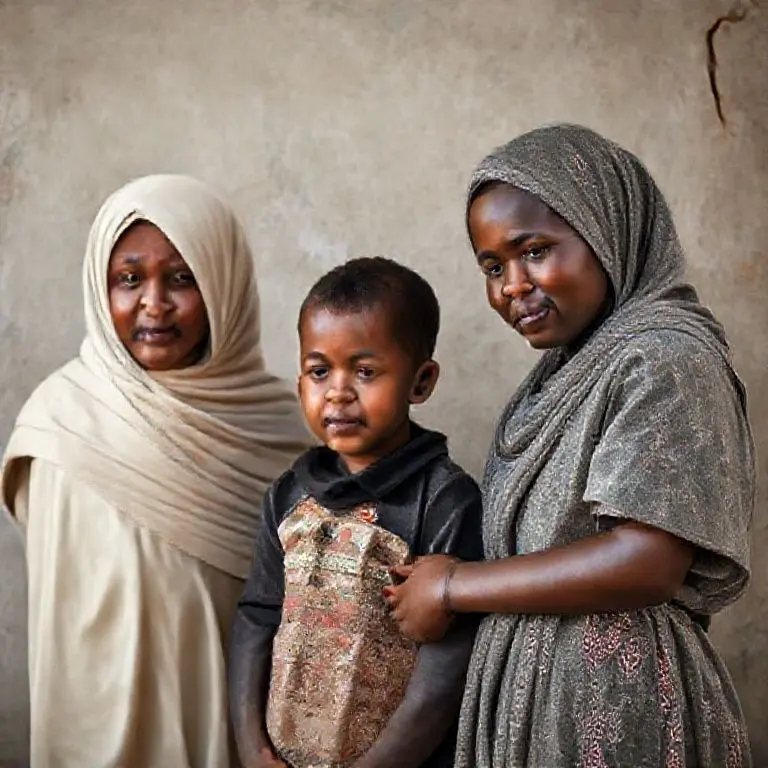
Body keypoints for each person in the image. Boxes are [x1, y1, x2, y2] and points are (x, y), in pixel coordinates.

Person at [385, 125, 755, 767]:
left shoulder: (663, 357)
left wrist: (453, 588)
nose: (512, 285)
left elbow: (647, 559)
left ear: (607, 230)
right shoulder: (560, 375)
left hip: (618, 713)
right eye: (493, 266)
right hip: (538, 704)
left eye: (534, 250)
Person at [1, 174, 310, 767]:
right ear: (100, 285)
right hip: (91, 736)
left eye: (182, 278)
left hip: (238, 731)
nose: (153, 303)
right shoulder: (59, 422)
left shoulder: (286, 431)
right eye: (128, 279)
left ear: (224, 284)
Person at [229, 257, 484, 768]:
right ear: (300, 381)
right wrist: (252, 748)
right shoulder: (286, 497)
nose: (339, 392)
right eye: (320, 371)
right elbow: (257, 617)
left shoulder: (444, 501)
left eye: (365, 372)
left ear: (421, 381)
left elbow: (450, 658)